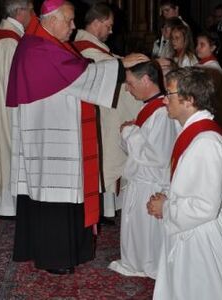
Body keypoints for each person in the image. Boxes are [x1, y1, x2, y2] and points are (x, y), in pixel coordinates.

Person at [6, 0, 147, 275]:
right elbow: (80, 75)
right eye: (69, 21)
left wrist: (118, 65)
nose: (73, 26)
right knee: (54, 197)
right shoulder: (38, 47)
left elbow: (77, 68)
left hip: (56, 131)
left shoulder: (44, 42)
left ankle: (68, 250)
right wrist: (120, 66)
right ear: (51, 19)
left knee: (62, 195)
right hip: (50, 137)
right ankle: (55, 257)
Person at [147, 67, 222, 299]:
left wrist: (167, 208)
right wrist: (168, 198)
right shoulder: (193, 133)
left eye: (169, 94)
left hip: (201, 236)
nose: (163, 100)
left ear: (189, 99)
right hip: (191, 229)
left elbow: (205, 207)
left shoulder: (206, 143)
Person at [108, 61, 178, 279]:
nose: (128, 89)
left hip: (152, 182)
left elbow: (157, 155)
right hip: (141, 180)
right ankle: (137, 262)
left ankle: (150, 265)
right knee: (136, 230)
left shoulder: (161, 113)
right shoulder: (148, 107)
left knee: (147, 232)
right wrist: (129, 132)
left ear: (146, 80)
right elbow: (137, 147)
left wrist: (129, 132)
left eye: (130, 83)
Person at [74, 2, 142, 224]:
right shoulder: (85, 47)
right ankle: (103, 210)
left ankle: (107, 209)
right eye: (109, 25)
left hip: (104, 115)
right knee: (104, 161)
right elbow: (106, 68)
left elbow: (111, 62)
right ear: (96, 22)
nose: (111, 31)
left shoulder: (94, 46)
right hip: (98, 117)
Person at [0, 0, 34, 217]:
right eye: (31, 10)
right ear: (21, 11)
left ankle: (10, 205)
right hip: (10, 112)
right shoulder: (8, 43)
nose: (33, 15)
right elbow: (14, 85)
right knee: (8, 151)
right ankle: (9, 206)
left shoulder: (9, 38)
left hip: (6, 107)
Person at [196, 31, 222, 131]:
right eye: (197, 44)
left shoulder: (214, 69)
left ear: (213, 48)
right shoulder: (200, 64)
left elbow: (206, 94)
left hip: (213, 118)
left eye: (202, 45)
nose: (197, 48)